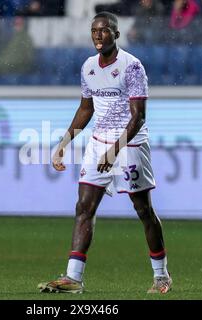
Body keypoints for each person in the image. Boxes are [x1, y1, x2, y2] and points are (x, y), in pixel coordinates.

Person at [37, 12, 172, 294]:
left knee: (143, 209)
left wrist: (115, 151)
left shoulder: (132, 67)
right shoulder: (88, 67)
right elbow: (86, 108)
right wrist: (63, 144)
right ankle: (74, 278)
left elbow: (139, 117)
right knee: (84, 207)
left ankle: (161, 276)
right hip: (98, 142)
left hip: (129, 143)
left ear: (116, 34)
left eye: (104, 30)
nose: (98, 35)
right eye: (94, 31)